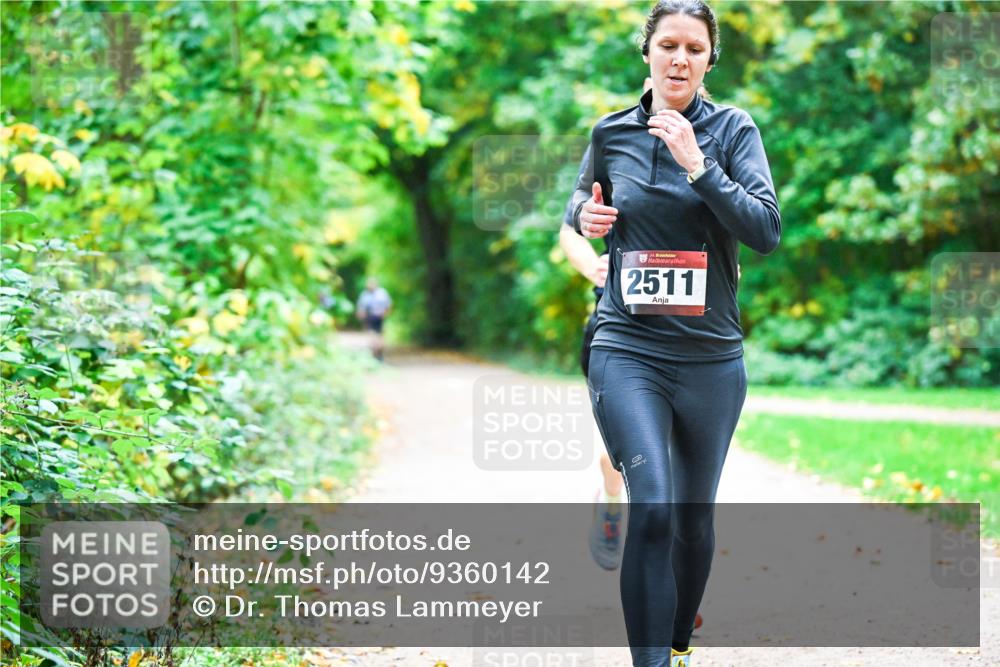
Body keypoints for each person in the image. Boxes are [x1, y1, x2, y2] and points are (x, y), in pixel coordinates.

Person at [564, 1, 781, 665]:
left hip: (710, 358)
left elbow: (765, 230)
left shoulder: (734, 131)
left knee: (691, 519)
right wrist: (589, 219)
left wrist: (698, 165)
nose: (680, 59)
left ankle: (679, 638)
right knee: (653, 505)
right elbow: (581, 205)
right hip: (627, 347)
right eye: (668, 45)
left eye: (694, 48)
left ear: (709, 60)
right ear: (648, 53)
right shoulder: (611, 132)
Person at [356, 277, 392, 361]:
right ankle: (374, 354)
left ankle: (379, 352)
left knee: (379, 336)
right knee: (371, 336)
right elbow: (361, 307)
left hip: (379, 317)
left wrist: (385, 314)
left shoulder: (382, 293)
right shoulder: (364, 295)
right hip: (369, 317)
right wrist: (361, 315)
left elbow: (388, 305)